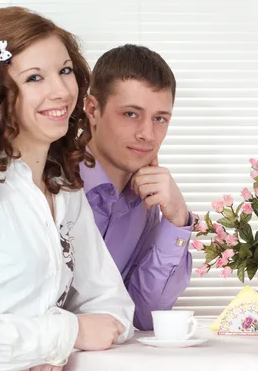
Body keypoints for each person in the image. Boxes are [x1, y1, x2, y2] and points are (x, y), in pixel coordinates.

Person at [0, 7, 134, 371]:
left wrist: (51, 348)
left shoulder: (64, 189)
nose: (61, 91)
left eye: (64, 71)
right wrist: (63, 336)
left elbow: (113, 306)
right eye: (33, 78)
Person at [80, 44, 192, 331]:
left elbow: (144, 316)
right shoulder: (52, 184)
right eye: (131, 114)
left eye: (159, 119)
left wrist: (177, 219)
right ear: (93, 109)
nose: (146, 134)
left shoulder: (145, 203)